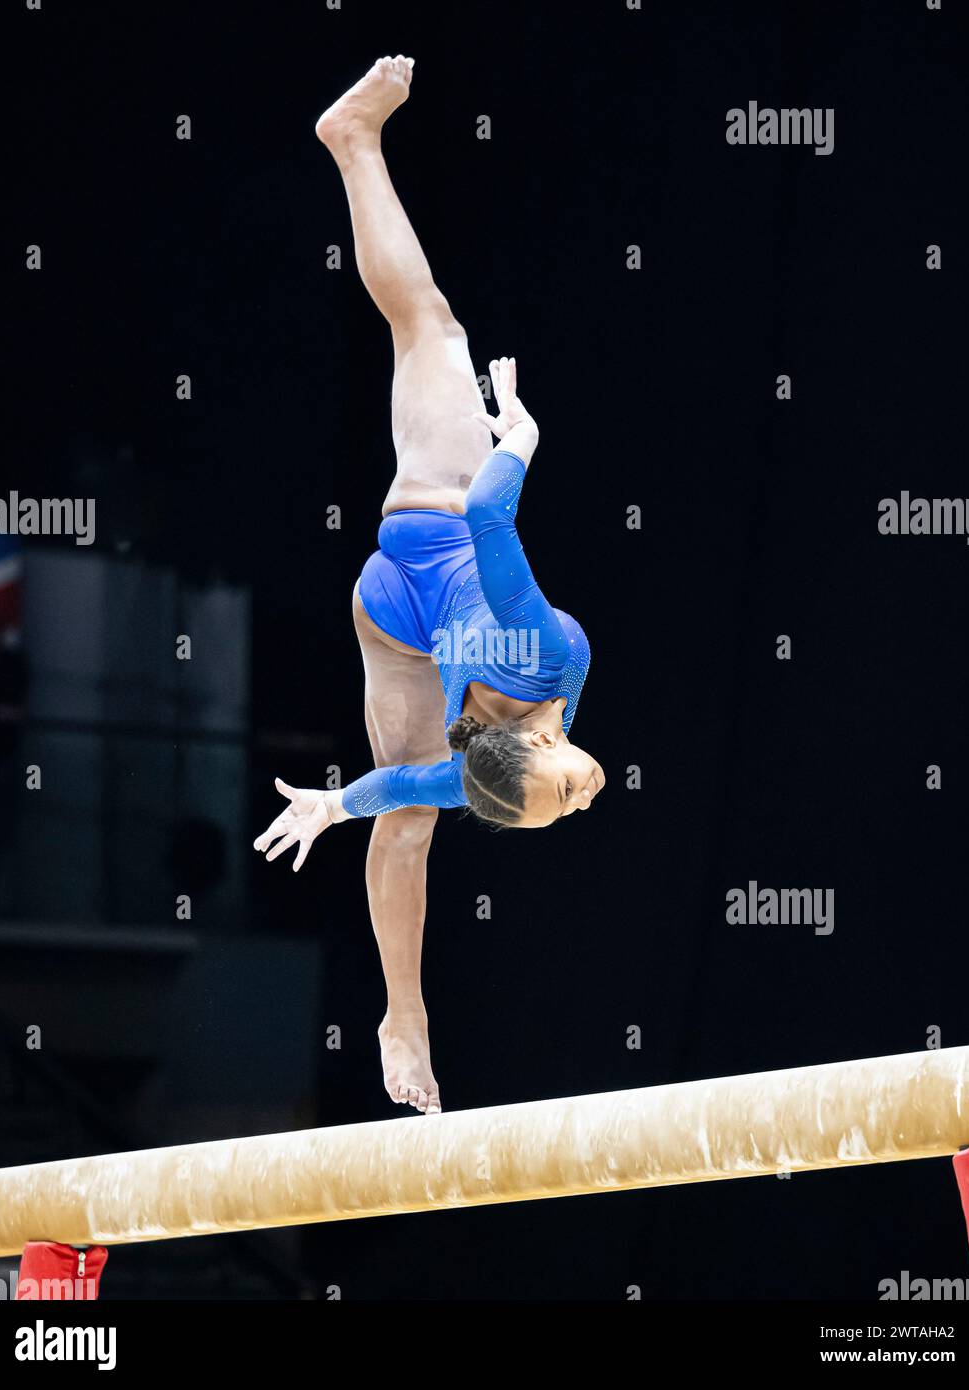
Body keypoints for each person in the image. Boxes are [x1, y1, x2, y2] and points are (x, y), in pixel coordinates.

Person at [254, 58, 604, 1114]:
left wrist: (525, 434)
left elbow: (490, 515)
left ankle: (351, 141)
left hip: (434, 517)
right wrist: (328, 805)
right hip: (390, 615)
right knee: (402, 825)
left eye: (570, 789)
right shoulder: (476, 778)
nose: (589, 790)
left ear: (539, 745)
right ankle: (400, 1015)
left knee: (433, 327)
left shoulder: (554, 657)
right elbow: (391, 794)